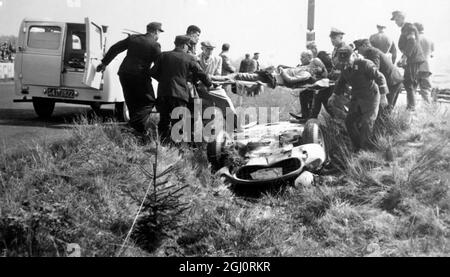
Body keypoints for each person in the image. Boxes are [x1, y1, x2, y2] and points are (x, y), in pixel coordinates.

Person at [97, 22, 163, 134]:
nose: (159, 35)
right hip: (140, 76)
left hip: (124, 73)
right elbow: (159, 65)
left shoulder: (133, 38)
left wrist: (104, 63)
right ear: (156, 31)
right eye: (159, 32)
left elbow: (115, 48)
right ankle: (132, 126)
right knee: (149, 101)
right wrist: (160, 78)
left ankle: (137, 131)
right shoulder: (155, 45)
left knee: (132, 102)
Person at [150, 35, 213, 143]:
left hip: (163, 92)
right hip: (179, 94)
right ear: (184, 45)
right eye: (188, 46)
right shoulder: (189, 58)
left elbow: (153, 72)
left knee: (164, 120)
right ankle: (176, 146)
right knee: (178, 121)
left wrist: (164, 80)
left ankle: (162, 144)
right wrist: (209, 84)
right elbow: (200, 73)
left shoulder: (163, 55)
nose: (188, 48)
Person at [328, 46, 389, 151]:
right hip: (357, 98)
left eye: (347, 60)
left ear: (353, 55)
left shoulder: (365, 64)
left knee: (367, 123)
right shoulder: (344, 67)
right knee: (349, 121)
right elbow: (341, 82)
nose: (345, 63)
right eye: (343, 61)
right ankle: (358, 146)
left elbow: (380, 77)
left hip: (371, 97)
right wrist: (334, 95)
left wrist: (383, 96)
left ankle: (366, 150)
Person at [391, 11, 427, 110]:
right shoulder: (406, 28)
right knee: (411, 83)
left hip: (413, 59)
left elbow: (411, 42)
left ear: (402, 18)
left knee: (409, 82)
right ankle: (411, 105)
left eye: (397, 19)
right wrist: (403, 57)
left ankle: (411, 108)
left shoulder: (409, 28)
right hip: (412, 58)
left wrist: (405, 57)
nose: (396, 22)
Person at [354, 39, 404, 109]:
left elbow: (374, 70)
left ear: (364, 46)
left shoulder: (372, 53)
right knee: (384, 109)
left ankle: (385, 120)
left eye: (358, 49)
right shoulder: (370, 53)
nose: (358, 52)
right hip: (392, 81)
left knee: (385, 108)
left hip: (393, 82)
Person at [415, 22, 435, 103]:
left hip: (415, 68)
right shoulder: (430, 39)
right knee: (426, 91)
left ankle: (411, 112)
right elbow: (432, 55)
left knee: (412, 91)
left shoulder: (414, 39)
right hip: (427, 68)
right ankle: (428, 110)